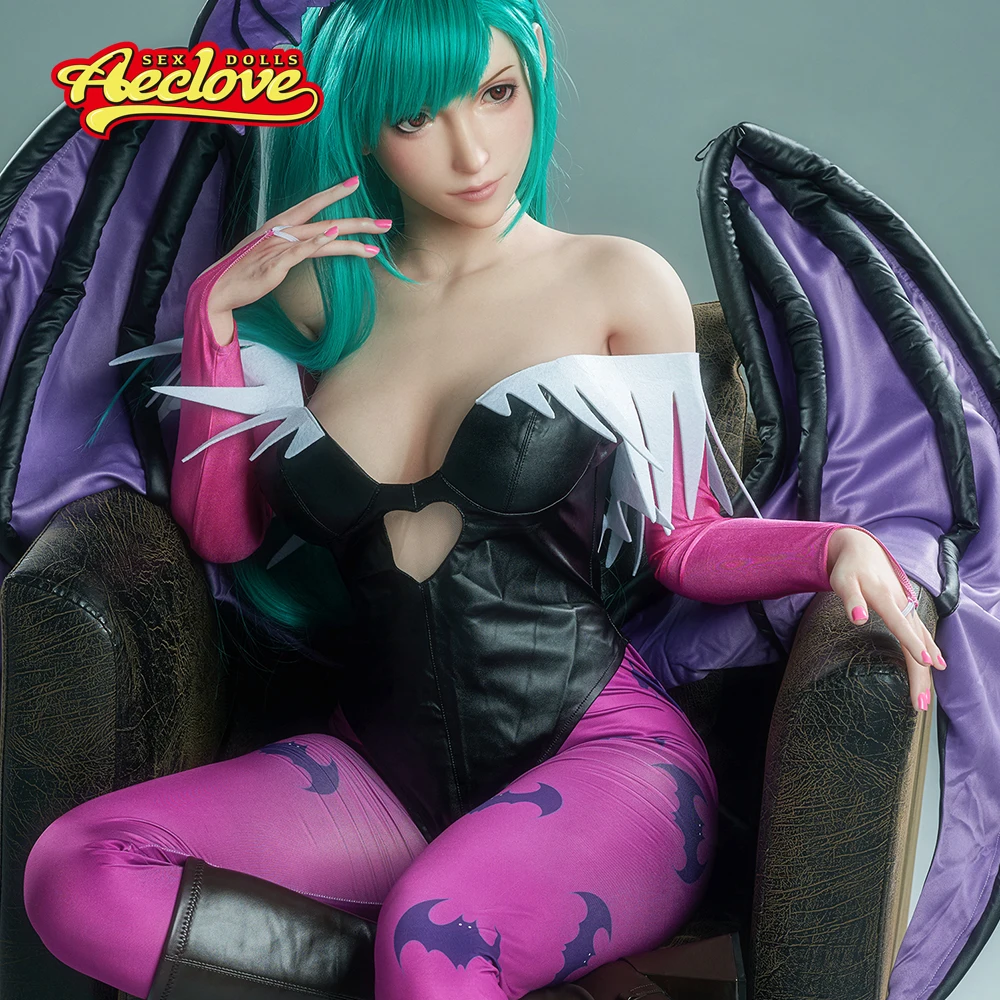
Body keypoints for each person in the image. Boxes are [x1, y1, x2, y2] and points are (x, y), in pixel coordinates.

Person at [20, 2, 943, 999]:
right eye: (417, 117)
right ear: (360, 129)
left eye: (498, 94)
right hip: (376, 773)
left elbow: (684, 540)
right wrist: (213, 321)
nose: (472, 151)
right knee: (77, 870)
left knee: (432, 941)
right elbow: (224, 535)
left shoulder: (614, 282)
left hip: (605, 760)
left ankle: (437, 966)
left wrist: (833, 546)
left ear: (532, 86)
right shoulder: (316, 304)